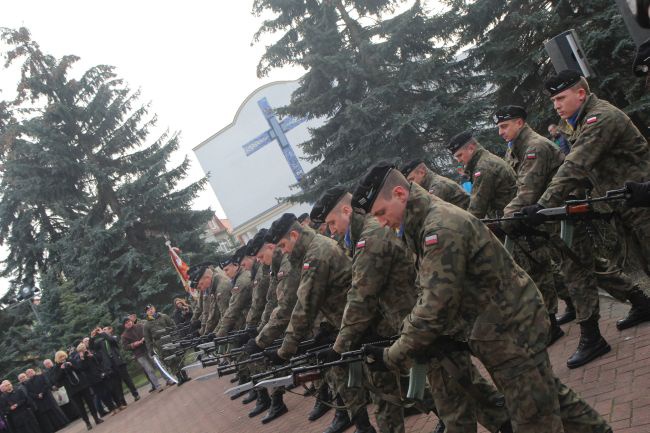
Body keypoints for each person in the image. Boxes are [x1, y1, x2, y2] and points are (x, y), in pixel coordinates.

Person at [353, 162, 612, 433]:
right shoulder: (420, 224)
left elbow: (435, 304)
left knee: (533, 418)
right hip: (501, 324)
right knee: (546, 394)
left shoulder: (437, 228)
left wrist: (393, 355)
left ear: (400, 194)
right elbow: (436, 290)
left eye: (381, 212)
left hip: (510, 328)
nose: (381, 221)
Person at [522, 70, 650, 367]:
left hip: (642, 205)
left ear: (581, 94)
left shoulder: (598, 119)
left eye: (561, 97)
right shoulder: (581, 123)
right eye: (553, 99)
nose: (556, 105)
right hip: (628, 209)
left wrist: (542, 206)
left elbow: (576, 166)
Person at [262, 213, 375, 433]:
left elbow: (305, 305)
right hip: (344, 323)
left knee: (385, 385)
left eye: (284, 245)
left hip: (361, 323)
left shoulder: (315, 254)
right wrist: (325, 328)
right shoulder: (308, 251)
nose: (283, 251)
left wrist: (284, 351)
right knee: (347, 378)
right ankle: (363, 426)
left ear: (294, 235)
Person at [493, 105, 566, 345]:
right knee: (563, 267)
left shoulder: (533, 147)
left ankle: (634, 300)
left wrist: (505, 221)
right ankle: (569, 315)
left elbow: (527, 190)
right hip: (542, 217)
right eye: (499, 127)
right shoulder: (515, 148)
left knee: (578, 266)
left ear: (520, 123)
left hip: (557, 214)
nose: (500, 132)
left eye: (504, 126)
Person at [447, 130, 517, 218]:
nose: (459, 160)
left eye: (459, 155)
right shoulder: (484, 161)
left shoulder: (483, 167)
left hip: (509, 221)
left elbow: (476, 211)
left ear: (471, 148)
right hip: (507, 216)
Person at [52, 351, 103, 430]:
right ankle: (87, 423)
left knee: (90, 403)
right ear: (57, 359)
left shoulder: (71, 361)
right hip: (72, 390)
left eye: (63, 356)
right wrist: (61, 369)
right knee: (80, 408)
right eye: (60, 357)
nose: (63, 358)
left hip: (82, 386)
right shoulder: (56, 368)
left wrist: (71, 365)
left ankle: (96, 418)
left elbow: (80, 369)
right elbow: (56, 379)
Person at [89, 326, 139, 408]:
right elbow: (91, 348)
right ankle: (122, 401)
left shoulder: (113, 337)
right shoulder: (99, 342)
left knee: (127, 379)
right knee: (117, 384)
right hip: (110, 365)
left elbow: (113, 341)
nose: (103, 331)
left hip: (119, 362)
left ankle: (135, 394)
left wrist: (103, 333)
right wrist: (92, 337)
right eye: (102, 330)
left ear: (108, 331)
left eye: (105, 329)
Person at [143, 304, 189, 385]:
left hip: (171, 339)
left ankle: (185, 375)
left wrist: (176, 337)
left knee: (178, 357)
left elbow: (173, 326)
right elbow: (147, 339)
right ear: (146, 313)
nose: (150, 310)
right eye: (148, 310)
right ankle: (179, 378)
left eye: (151, 308)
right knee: (169, 361)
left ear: (154, 308)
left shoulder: (164, 316)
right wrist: (151, 350)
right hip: (160, 344)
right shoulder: (146, 325)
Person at [215, 245, 254, 338]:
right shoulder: (239, 279)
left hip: (253, 322)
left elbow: (233, 308)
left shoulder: (241, 281)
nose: (226, 273)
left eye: (227, 269)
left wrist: (218, 335)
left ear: (236, 266)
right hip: (250, 321)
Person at [400, 159, 470, 209]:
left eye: (412, 179)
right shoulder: (432, 184)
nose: (411, 184)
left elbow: (427, 212)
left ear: (422, 172)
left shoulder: (437, 186)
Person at [121, 316, 164, 393]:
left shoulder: (140, 326)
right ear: (124, 325)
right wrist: (134, 344)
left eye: (129, 321)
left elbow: (148, 333)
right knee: (149, 370)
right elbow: (125, 347)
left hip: (148, 349)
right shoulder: (124, 336)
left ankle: (168, 379)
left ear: (131, 321)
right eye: (126, 323)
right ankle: (158, 386)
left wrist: (145, 338)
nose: (128, 323)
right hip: (139, 354)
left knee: (158, 364)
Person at [75, 343, 119, 417]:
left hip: (100, 375)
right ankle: (112, 409)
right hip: (92, 380)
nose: (84, 350)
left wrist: (92, 356)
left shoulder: (90, 352)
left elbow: (99, 359)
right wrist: (82, 359)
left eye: (84, 348)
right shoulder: (79, 359)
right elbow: (81, 368)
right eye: (82, 350)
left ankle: (117, 405)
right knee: (102, 395)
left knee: (108, 391)